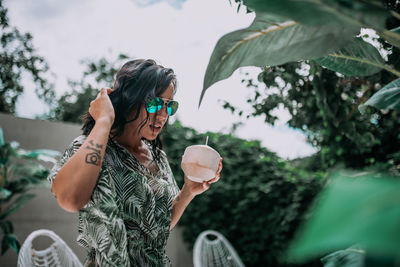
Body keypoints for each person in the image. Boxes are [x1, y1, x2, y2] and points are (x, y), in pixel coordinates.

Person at [48, 59, 223, 267]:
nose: (161, 114)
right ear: (128, 100)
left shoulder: (157, 156)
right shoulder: (91, 147)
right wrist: (104, 121)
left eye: (169, 105)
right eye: (154, 102)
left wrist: (188, 191)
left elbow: (157, 229)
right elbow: (70, 199)